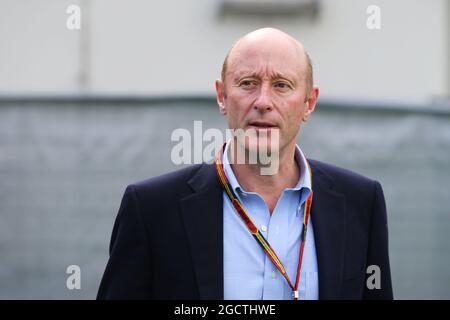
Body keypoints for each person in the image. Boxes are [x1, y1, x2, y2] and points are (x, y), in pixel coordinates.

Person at [97, 28, 393, 300]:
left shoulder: (360, 203)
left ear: (309, 103)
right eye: (248, 83)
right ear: (221, 96)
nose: (263, 101)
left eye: (282, 85)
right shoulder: (152, 210)